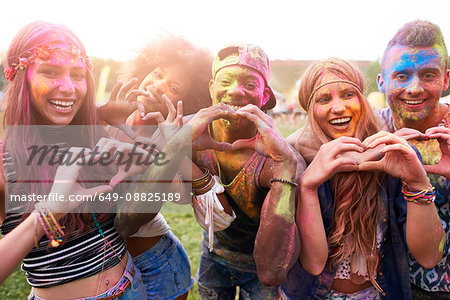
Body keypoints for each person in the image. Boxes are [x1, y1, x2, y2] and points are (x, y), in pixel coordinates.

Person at [0, 21, 146, 299]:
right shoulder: (5, 162)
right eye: (50, 72)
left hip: (132, 287)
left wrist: (138, 162)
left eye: (77, 74)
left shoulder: (94, 137)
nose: (68, 87)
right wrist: (48, 213)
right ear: (21, 78)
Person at [282, 58, 444, 299]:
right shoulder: (296, 161)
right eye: (324, 99)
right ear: (310, 110)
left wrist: (418, 182)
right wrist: (308, 186)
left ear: (362, 99)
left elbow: (429, 255)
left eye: (348, 94)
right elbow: (314, 264)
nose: (338, 107)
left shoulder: (391, 153)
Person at [184, 43, 304, 299]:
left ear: (264, 95)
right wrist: (177, 144)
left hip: (259, 262)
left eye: (250, 85)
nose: (236, 91)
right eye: (225, 81)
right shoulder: (191, 132)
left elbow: (274, 270)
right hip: (214, 252)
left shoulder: (278, 158)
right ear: (211, 88)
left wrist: (285, 165)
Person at [107, 35, 213, 300]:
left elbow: (180, 196)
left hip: (158, 266)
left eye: (174, 87)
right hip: (109, 267)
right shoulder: (107, 117)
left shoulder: (168, 140)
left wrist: (169, 150)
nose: (158, 86)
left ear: (184, 104)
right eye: (157, 73)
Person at [376, 20, 449, 299]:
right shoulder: (370, 129)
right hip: (389, 285)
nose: (415, 88)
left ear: (445, 79)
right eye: (402, 76)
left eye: (428, 75)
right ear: (383, 81)